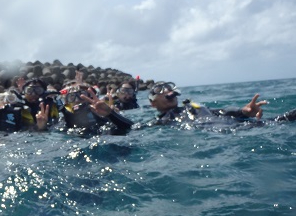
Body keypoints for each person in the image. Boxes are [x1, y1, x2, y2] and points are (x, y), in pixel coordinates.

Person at [147, 81, 279, 125]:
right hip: (216, 130)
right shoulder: (161, 121)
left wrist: (242, 111)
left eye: (169, 87)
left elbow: (221, 111)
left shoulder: (193, 106)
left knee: (272, 122)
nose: (167, 91)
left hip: (228, 123)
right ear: (153, 103)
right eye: (160, 90)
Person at [57, 83, 134, 136]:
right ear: (66, 102)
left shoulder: (103, 117)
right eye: (72, 97)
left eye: (82, 94)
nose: (77, 100)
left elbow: (131, 128)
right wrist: (44, 128)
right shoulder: (63, 121)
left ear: (91, 98)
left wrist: (111, 114)